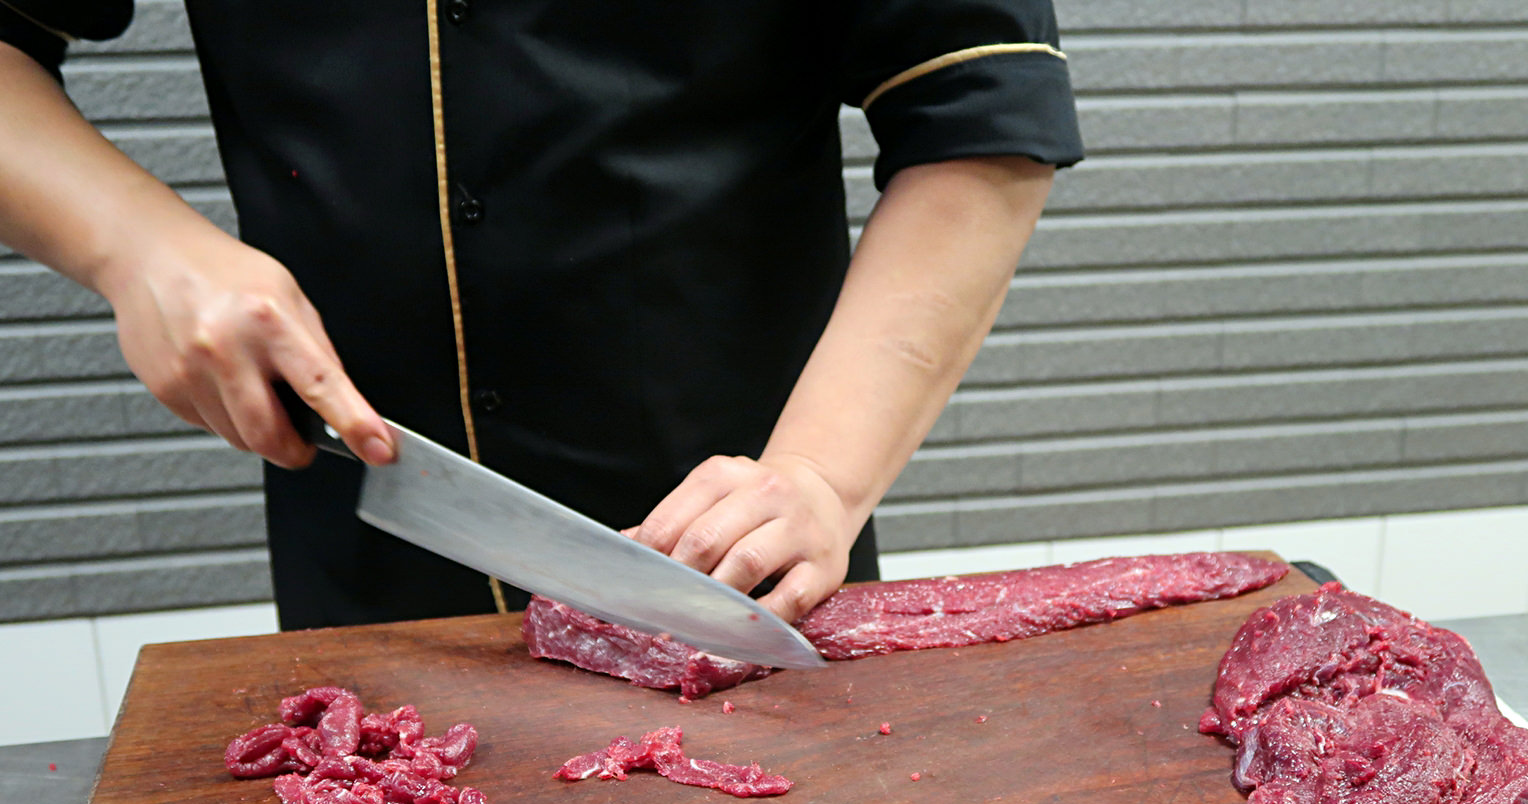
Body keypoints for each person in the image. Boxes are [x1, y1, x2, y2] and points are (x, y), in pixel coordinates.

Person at [0, 1, 1082, 630]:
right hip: (372, 551)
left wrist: (821, 478)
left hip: (738, 567)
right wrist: (136, 245)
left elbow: (977, 120)